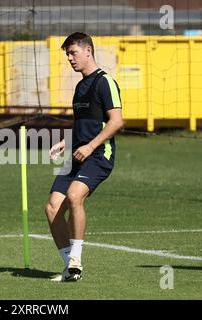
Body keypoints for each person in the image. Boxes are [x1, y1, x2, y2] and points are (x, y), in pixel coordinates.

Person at [46, 32, 124, 282]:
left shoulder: (105, 82)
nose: (69, 58)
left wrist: (90, 147)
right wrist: (64, 143)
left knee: (74, 195)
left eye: (73, 52)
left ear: (88, 51)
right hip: (78, 153)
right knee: (52, 207)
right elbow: (81, 125)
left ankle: (76, 259)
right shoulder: (80, 86)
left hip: (99, 154)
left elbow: (116, 122)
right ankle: (69, 266)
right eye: (67, 54)